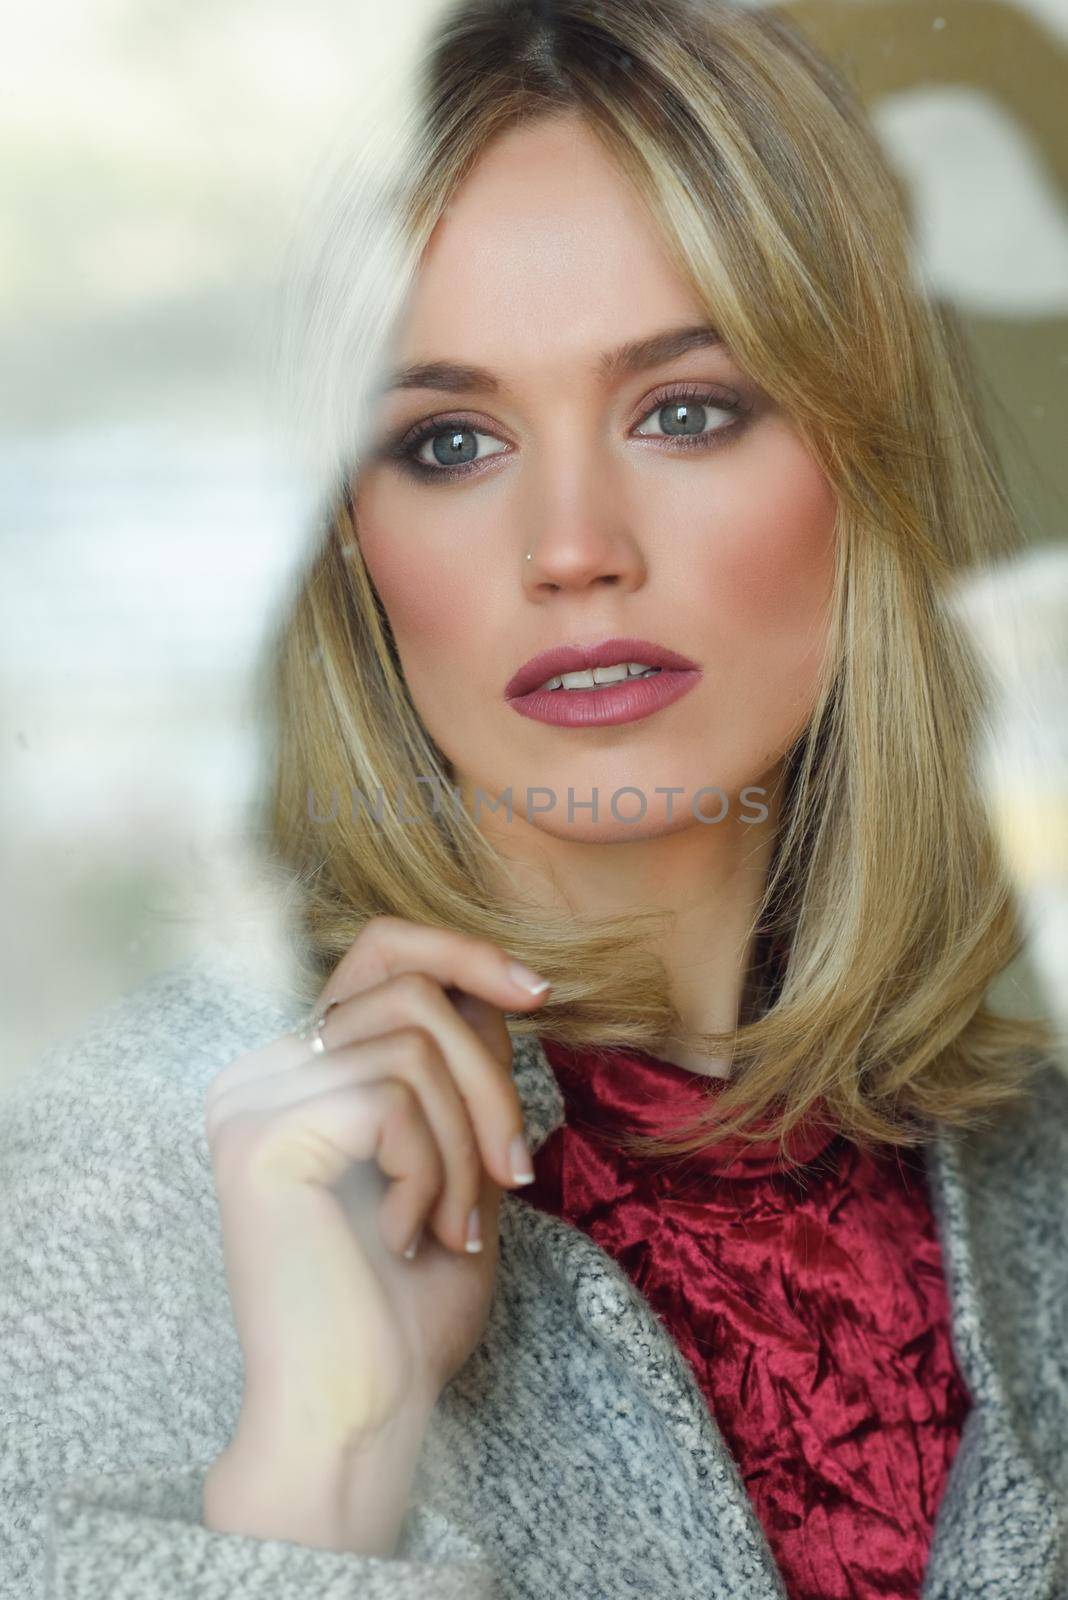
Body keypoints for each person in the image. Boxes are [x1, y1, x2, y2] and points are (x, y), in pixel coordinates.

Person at [2, 2, 1065, 1597]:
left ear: (862, 473)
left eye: (686, 410)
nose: (573, 543)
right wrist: (329, 1455)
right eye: (448, 441)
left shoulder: (1035, 1178)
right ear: (353, 546)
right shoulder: (108, 1187)